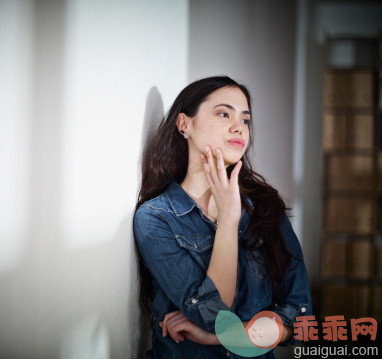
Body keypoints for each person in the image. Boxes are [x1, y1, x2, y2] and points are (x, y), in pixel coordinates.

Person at [133, 76, 313, 358]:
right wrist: (229, 218)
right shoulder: (156, 218)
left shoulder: (266, 209)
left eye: (245, 120)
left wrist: (220, 338)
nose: (237, 127)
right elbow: (214, 315)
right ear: (185, 125)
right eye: (223, 113)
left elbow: (300, 318)